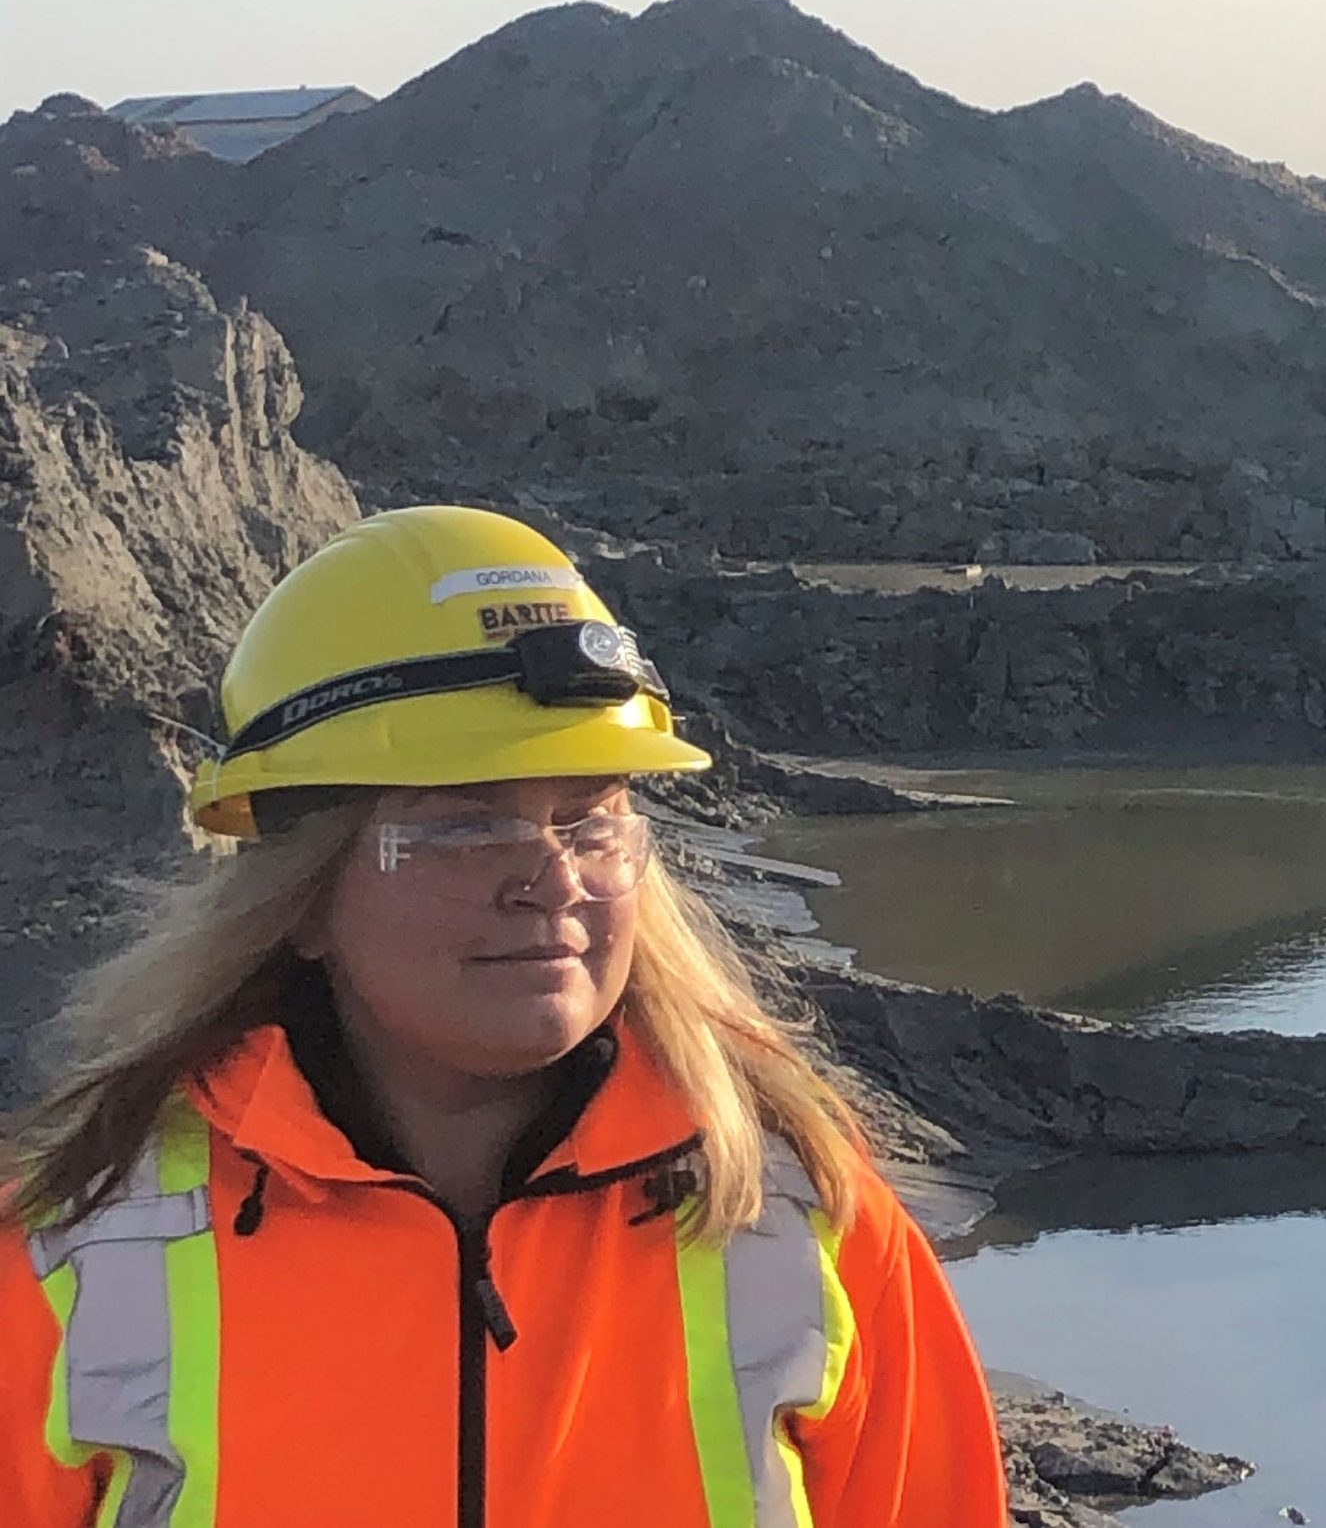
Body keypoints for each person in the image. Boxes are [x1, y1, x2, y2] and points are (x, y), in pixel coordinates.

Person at [0, 506, 1010, 1527]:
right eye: (461, 826)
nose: (549, 878)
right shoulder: (75, 1255)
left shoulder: (805, 1226)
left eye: (591, 818)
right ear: (301, 900)